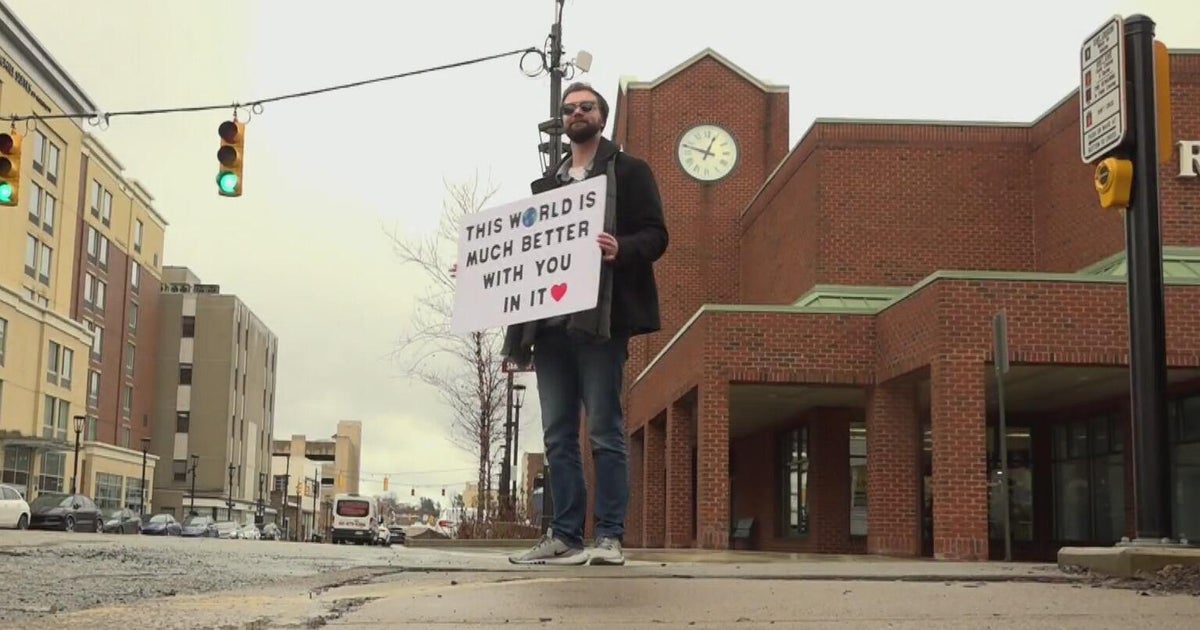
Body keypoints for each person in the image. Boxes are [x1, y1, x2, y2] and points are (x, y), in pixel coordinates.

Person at [502, 82, 668, 566]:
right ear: (563, 121)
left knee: (603, 429)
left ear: (602, 116)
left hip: (601, 322)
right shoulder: (546, 188)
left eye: (586, 107)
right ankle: (565, 534)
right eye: (569, 108)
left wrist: (622, 248)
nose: (577, 113)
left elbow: (657, 235)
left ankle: (610, 536)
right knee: (557, 435)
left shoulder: (630, 171)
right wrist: (479, 273)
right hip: (549, 330)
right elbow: (520, 251)